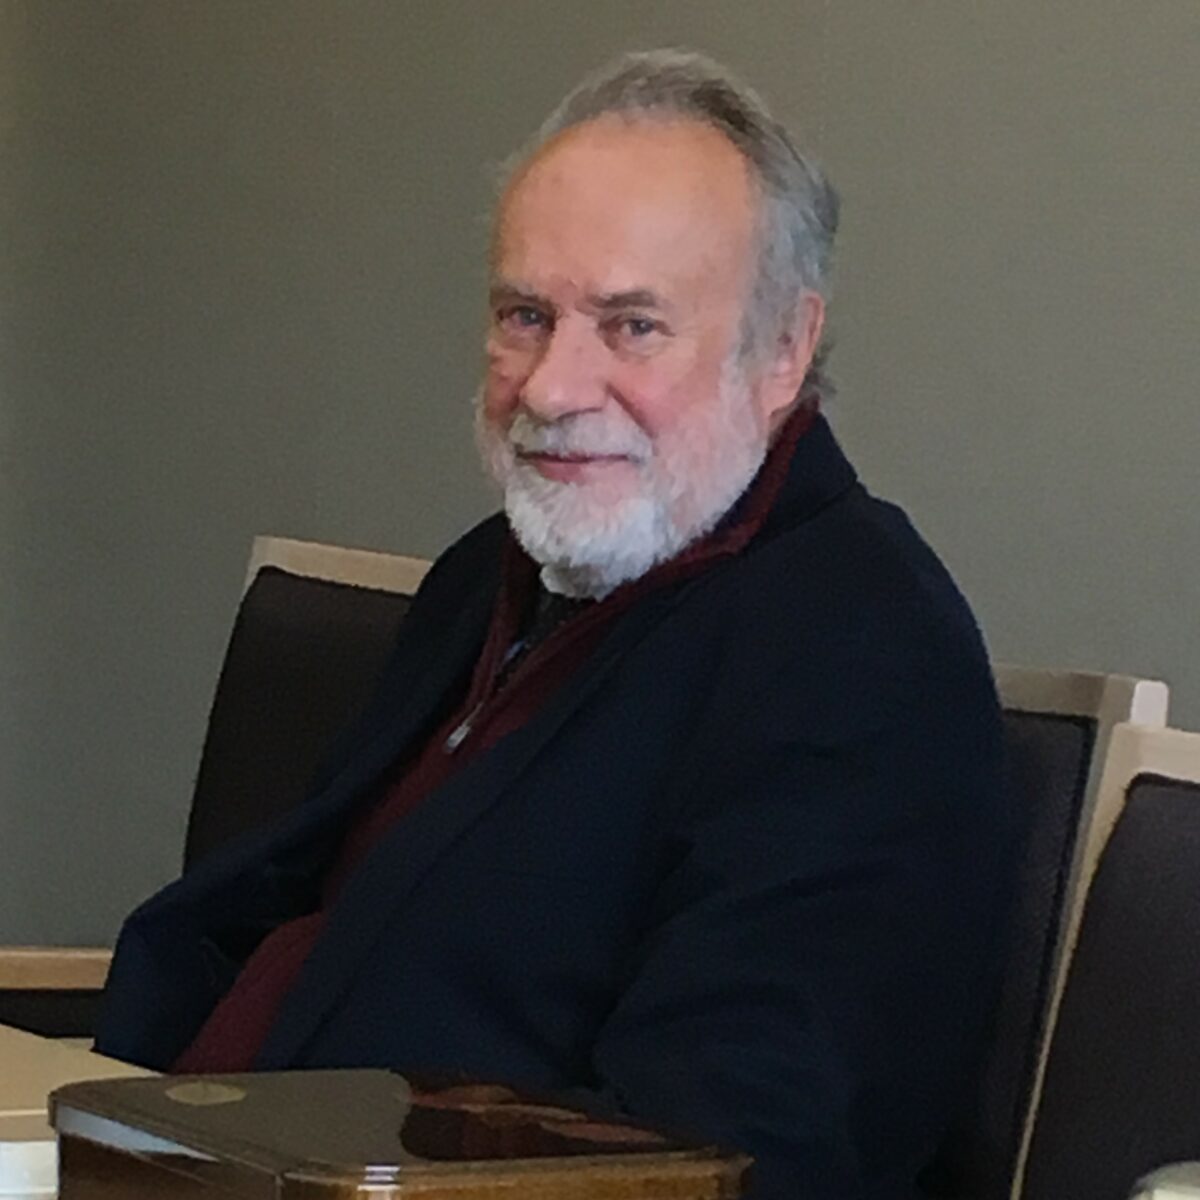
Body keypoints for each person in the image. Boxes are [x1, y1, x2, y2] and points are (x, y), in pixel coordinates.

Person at [97, 49, 1013, 1199]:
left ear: (783, 348)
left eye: (631, 327)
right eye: (525, 316)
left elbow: (730, 1160)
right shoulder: (490, 577)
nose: (550, 388)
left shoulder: (862, 654)